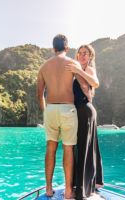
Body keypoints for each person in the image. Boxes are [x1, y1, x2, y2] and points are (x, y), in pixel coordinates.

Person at [37, 34, 78, 199]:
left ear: (53, 48)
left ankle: (48, 188)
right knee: (68, 148)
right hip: (68, 109)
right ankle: (68, 190)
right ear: (67, 48)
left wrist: (45, 111)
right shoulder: (72, 63)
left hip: (51, 109)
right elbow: (83, 85)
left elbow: (40, 94)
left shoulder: (44, 67)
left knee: (50, 149)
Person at [65, 44, 104, 199]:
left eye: (85, 53)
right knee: (84, 148)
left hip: (84, 111)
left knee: (83, 149)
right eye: (80, 53)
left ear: (90, 56)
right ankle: (90, 184)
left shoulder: (88, 69)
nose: (82, 56)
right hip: (80, 111)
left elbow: (95, 83)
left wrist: (78, 71)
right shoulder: (75, 71)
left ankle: (82, 190)